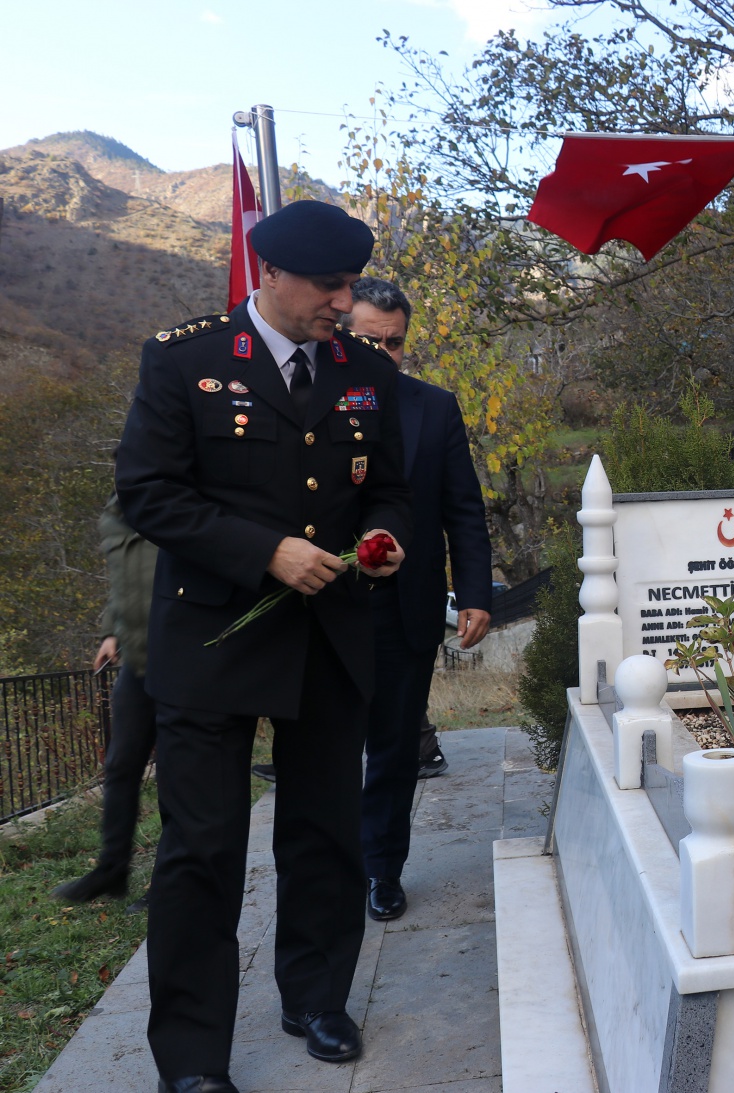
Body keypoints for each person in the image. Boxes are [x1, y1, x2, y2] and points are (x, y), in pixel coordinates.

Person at [116, 199, 412, 1093]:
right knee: (203, 849)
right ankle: (194, 1060)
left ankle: (315, 996)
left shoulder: (364, 369)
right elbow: (148, 494)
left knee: (324, 832)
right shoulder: (186, 360)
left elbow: (390, 488)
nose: (343, 299)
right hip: (212, 640)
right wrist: (264, 552)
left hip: (329, 637)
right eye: (329, 284)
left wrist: (385, 539)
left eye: (351, 283)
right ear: (269, 275)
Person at [342, 276, 493, 923]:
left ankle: (381, 868)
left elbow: (463, 507)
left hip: (408, 605)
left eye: (394, 342)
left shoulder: (435, 408)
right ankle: (329, 863)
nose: (382, 352)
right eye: (368, 339)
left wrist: (477, 594)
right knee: (328, 747)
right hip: (324, 607)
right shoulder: (306, 405)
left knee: (396, 746)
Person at [51, 495, 158, 912]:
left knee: (179, 775)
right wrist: (110, 633)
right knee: (120, 765)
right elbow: (124, 589)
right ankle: (113, 868)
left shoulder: (173, 507)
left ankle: (171, 881)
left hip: (180, 659)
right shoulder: (114, 518)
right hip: (135, 661)